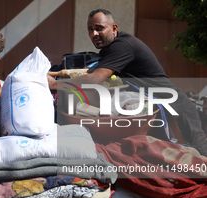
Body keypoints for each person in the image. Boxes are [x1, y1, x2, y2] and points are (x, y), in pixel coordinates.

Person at [50, 9, 207, 156]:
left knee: (199, 156)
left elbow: (95, 79)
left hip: (176, 110)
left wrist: (55, 85)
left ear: (114, 28)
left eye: (99, 28)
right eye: (90, 29)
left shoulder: (122, 47)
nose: (94, 33)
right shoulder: (109, 51)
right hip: (161, 111)